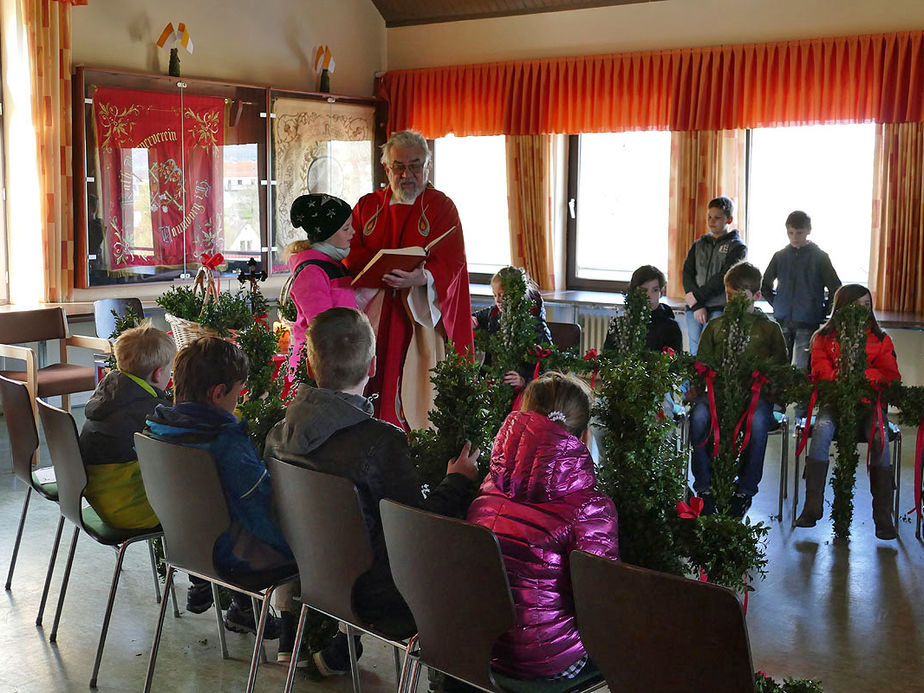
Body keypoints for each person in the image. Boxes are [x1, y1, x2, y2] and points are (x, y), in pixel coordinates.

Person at [263, 307, 479, 675]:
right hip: (377, 596)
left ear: (312, 368)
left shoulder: (279, 433)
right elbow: (418, 528)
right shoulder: (381, 443)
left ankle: (339, 649)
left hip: (307, 576)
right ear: (373, 366)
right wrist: (457, 480)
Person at [467, 372, 619, 681]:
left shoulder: (490, 481)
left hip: (476, 645)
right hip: (544, 661)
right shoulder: (591, 507)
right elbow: (601, 605)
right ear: (585, 436)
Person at [144, 338, 293, 640]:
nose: (238, 400)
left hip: (184, 549)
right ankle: (295, 641)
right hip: (229, 558)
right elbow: (264, 513)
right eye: (238, 393)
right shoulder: (226, 444)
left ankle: (243, 609)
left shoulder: (156, 430)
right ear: (217, 393)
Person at [345, 129, 473, 430]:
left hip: (418, 318)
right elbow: (349, 250)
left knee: (414, 391)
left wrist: (422, 277)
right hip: (373, 315)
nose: (407, 174)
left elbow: (452, 262)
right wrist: (379, 271)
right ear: (386, 168)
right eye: (399, 166)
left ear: (426, 166)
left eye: (415, 165)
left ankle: (415, 448)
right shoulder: (368, 206)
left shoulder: (441, 207)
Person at [794, 284, 901, 539]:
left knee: (879, 436)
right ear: (842, 309)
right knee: (821, 430)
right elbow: (819, 371)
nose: (863, 311)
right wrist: (842, 377)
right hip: (834, 403)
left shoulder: (880, 338)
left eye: (867, 306)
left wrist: (864, 375)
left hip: (868, 405)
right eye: (857, 306)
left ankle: (882, 516)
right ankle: (812, 506)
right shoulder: (823, 337)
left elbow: (891, 376)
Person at [689, 262, 788, 518]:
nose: (731, 301)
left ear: (756, 295)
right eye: (729, 296)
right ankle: (704, 488)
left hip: (755, 397)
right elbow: (702, 364)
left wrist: (771, 388)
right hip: (717, 395)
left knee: (757, 422)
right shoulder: (715, 326)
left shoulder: (770, 329)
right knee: (699, 415)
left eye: (739, 296)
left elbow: (780, 370)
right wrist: (698, 384)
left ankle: (744, 490)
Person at [79, 322, 174, 530]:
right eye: (170, 370)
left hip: (102, 501)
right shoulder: (150, 410)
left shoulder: (110, 392)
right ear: (158, 374)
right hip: (131, 510)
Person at [284, 193, 358, 374]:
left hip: (340, 357)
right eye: (346, 228)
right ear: (328, 233)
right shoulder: (312, 271)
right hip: (319, 365)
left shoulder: (335, 265)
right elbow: (322, 326)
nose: (353, 232)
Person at [761, 210, 841, 372]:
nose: (795, 237)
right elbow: (765, 285)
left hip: (808, 319)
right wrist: (776, 303)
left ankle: (799, 397)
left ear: (808, 231)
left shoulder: (820, 257)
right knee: (778, 366)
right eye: (791, 233)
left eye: (799, 233)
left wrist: (823, 309)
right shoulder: (780, 256)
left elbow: (835, 287)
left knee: (802, 367)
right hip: (782, 318)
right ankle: (779, 397)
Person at [682, 196, 747, 355]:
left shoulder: (737, 247)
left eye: (717, 218)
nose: (712, 221)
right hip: (695, 307)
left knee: (710, 349)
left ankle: (707, 380)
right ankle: (693, 380)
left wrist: (696, 297)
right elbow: (687, 273)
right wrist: (696, 305)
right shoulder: (698, 245)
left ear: (729, 219)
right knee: (694, 349)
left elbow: (723, 278)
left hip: (719, 306)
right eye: (709, 217)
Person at [472, 266, 552, 392]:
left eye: (503, 295)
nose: (498, 300)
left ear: (518, 294)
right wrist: (472, 318)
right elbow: (478, 316)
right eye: (495, 295)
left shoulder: (535, 324)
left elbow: (548, 366)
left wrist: (524, 380)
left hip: (523, 391)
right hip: (495, 382)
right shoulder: (494, 313)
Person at [604, 264, 682, 354]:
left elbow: (674, 363)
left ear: (662, 292)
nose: (649, 296)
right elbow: (607, 357)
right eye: (643, 290)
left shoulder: (671, 327)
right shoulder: (619, 325)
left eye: (655, 290)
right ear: (633, 292)